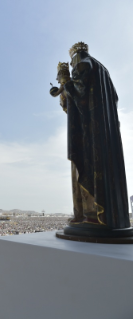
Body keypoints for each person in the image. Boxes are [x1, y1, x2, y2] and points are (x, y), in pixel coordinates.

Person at [51, 42, 130, 230]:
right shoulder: (103, 72)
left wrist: (64, 80)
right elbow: (73, 103)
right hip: (103, 133)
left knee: (85, 167)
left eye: (72, 66)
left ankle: (91, 214)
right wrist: (65, 88)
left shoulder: (82, 61)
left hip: (89, 134)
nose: (73, 68)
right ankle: (93, 214)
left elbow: (80, 93)